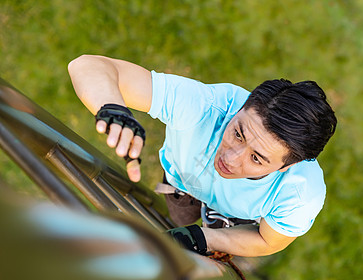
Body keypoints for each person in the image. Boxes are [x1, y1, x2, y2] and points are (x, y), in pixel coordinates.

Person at [68, 54, 337, 257]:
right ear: (242, 106)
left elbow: (267, 240)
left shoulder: (301, 194)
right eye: (238, 133)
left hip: (239, 216)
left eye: (257, 159)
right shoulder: (205, 106)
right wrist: (114, 109)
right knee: (176, 218)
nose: (231, 159)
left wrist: (203, 238)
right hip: (182, 182)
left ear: (285, 167)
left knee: (219, 255)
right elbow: (87, 66)